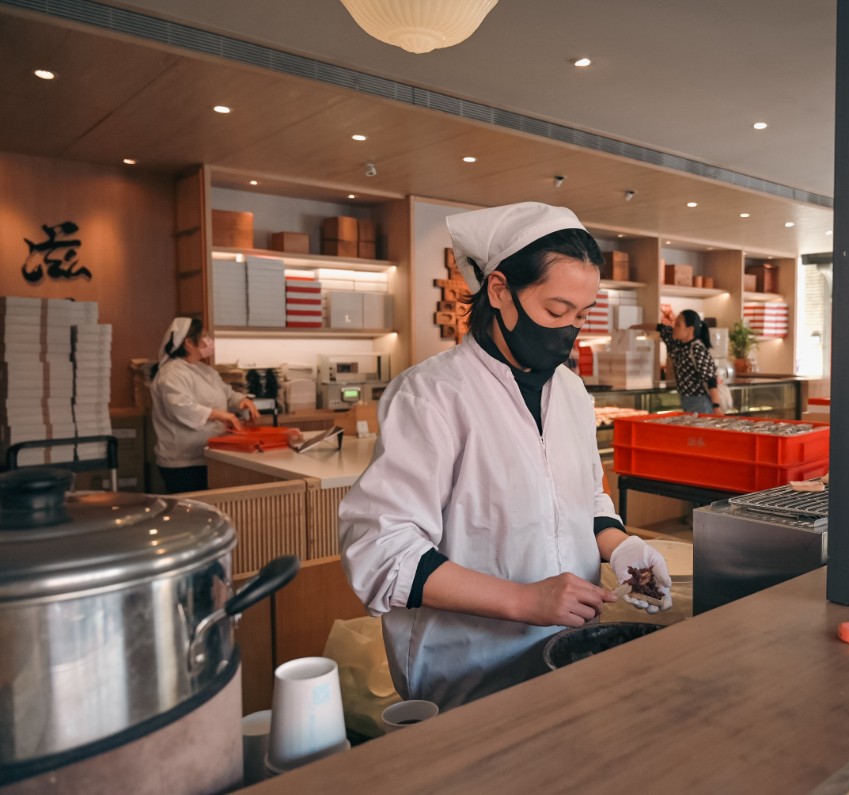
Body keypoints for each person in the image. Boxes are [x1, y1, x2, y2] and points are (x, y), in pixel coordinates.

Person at [338, 202, 673, 711]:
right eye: (555, 311)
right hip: (470, 672)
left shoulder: (570, 392)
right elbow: (382, 551)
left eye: (581, 315)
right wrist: (525, 601)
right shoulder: (433, 395)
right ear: (499, 290)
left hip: (569, 652)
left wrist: (621, 546)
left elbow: (587, 500)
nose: (569, 331)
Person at [150, 317, 258, 493]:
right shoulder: (171, 373)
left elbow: (226, 393)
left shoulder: (205, 370)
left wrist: (241, 401)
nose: (209, 341)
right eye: (204, 336)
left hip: (210, 455)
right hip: (183, 462)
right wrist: (220, 415)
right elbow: (181, 407)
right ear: (188, 343)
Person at [657, 309, 725, 415]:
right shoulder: (677, 344)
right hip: (685, 400)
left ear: (690, 329)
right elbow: (660, 328)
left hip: (700, 402)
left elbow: (710, 379)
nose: (674, 327)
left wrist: (716, 407)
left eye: (678, 325)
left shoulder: (697, 348)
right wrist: (632, 327)